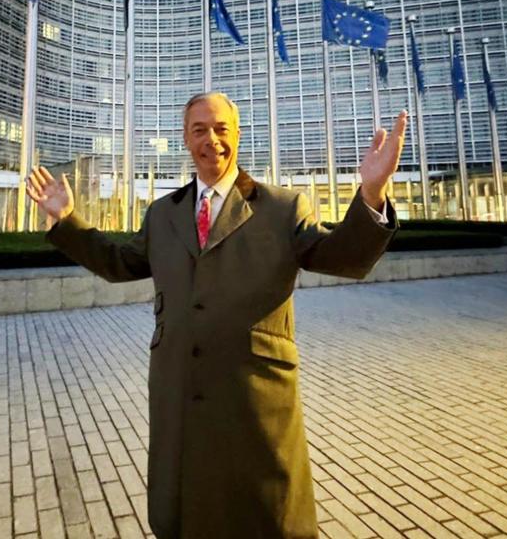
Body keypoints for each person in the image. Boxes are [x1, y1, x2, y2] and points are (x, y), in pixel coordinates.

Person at [26, 92, 407, 539]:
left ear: (238, 134)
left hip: (255, 396)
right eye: (199, 130)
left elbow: (340, 255)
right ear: (186, 140)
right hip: (180, 391)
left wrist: (372, 194)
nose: (212, 140)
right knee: (187, 511)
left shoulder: (282, 209)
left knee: (266, 515)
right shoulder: (163, 214)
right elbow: (119, 262)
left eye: (222, 128)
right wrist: (66, 219)